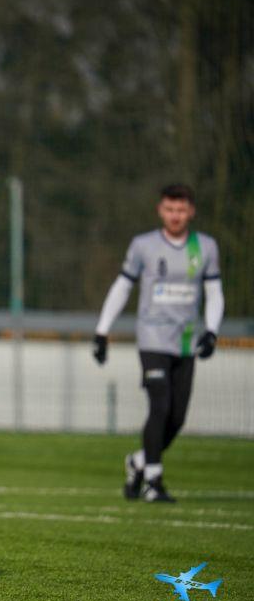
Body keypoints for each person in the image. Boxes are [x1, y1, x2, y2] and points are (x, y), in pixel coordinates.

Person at [93, 184, 223, 503]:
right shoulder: (143, 246)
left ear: (191, 211)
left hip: (186, 342)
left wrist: (212, 331)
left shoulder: (205, 247)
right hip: (152, 338)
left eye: (181, 210)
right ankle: (154, 481)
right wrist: (102, 330)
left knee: (177, 418)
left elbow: (215, 292)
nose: (175, 215)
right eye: (169, 209)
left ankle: (138, 462)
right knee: (159, 405)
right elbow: (122, 286)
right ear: (160, 210)